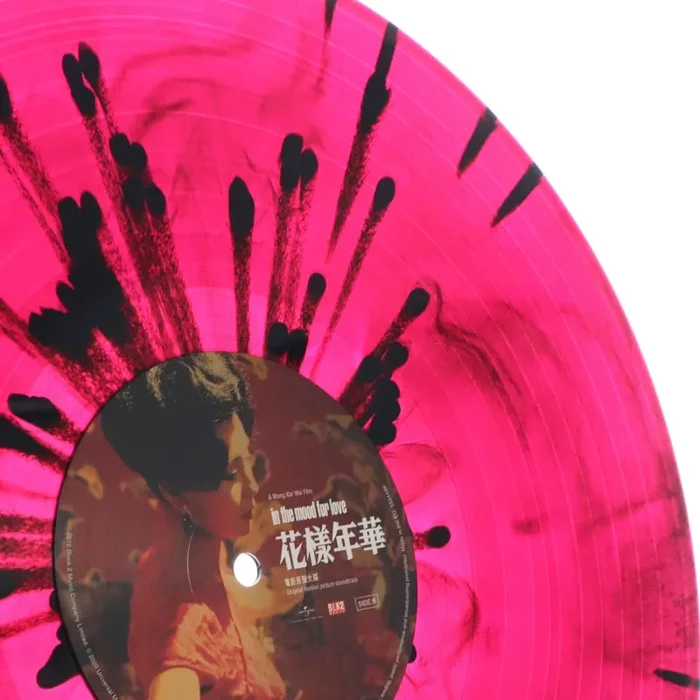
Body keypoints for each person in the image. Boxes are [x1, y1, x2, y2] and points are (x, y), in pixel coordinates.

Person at [100, 352, 287, 700]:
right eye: (231, 474)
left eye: (247, 459)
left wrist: (272, 597)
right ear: (175, 493)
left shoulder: (195, 543)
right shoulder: (183, 634)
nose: (253, 485)